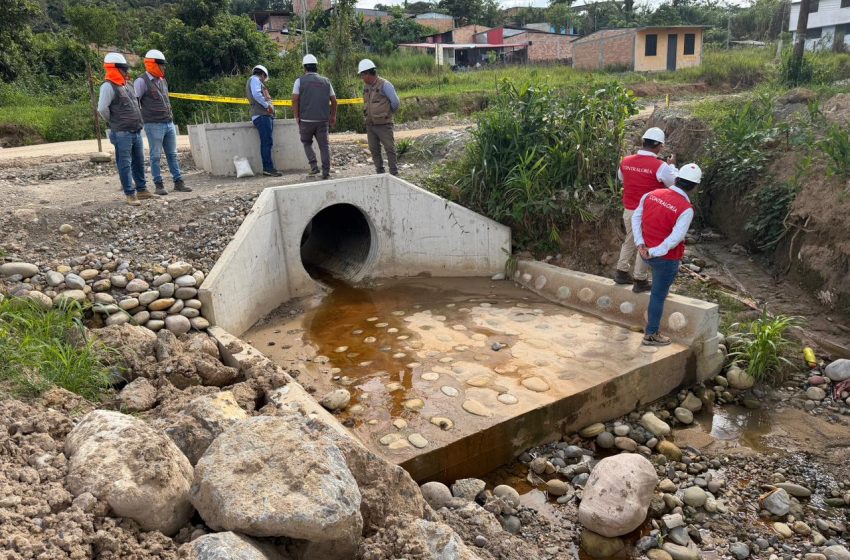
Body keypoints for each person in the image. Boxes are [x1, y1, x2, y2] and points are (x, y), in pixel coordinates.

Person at [632, 163, 702, 346]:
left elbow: (636, 217)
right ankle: (651, 334)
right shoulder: (686, 209)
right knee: (658, 296)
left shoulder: (651, 194)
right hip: (665, 258)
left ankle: (651, 330)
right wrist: (653, 251)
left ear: (677, 179)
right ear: (695, 186)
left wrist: (641, 245)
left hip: (645, 251)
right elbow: (675, 238)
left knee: (657, 293)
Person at [614, 127, 678, 293]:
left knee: (629, 239)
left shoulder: (626, 161)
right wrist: (671, 167)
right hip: (647, 213)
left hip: (629, 209)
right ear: (659, 146)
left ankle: (621, 271)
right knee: (645, 244)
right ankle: (640, 279)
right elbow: (674, 185)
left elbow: (622, 178)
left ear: (642, 142)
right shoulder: (661, 166)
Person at [134, 49, 191, 196]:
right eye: (161, 65)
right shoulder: (141, 81)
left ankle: (178, 182)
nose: (164, 67)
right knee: (155, 155)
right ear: (153, 65)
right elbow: (135, 103)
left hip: (168, 122)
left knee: (172, 154)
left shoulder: (162, 81)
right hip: (153, 124)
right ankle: (158, 184)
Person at [97, 52, 150, 206]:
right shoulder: (108, 86)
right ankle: (130, 194)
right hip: (121, 132)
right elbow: (102, 109)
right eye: (124, 69)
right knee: (124, 164)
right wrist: (114, 121)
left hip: (135, 130)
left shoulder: (127, 84)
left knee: (139, 161)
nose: (127, 72)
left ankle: (142, 190)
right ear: (115, 69)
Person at [292, 54, 337, 180]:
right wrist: (333, 116)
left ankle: (314, 166)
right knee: (324, 146)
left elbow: (294, 100)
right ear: (316, 67)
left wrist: (296, 116)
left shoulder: (299, 81)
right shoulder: (326, 81)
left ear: (304, 67)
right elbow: (334, 100)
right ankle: (326, 172)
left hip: (306, 120)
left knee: (306, 142)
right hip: (323, 120)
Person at [358, 59, 400, 176]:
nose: (362, 77)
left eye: (362, 74)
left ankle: (394, 173)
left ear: (367, 73)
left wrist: (387, 114)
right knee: (374, 150)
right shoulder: (366, 87)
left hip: (384, 125)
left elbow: (395, 102)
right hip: (370, 125)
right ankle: (380, 172)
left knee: (389, 149)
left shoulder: (385, 85)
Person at [246, 64, 282, 177]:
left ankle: (268, 167)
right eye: (264, 77)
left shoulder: (255, 81)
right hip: (261, 115)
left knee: (267, 142)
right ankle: (268, 168)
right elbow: (257, 94)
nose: (264, 79)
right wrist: (268, 106)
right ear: (262, 74)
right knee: (266, 142)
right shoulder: (255, 79)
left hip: (263, 115)